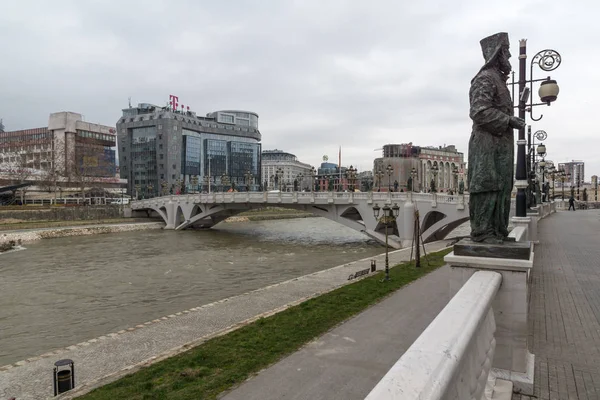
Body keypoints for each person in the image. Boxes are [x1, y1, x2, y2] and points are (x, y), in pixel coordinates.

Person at [468, 32, 526, 244]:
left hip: (500, 146)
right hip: (486, 145)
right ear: (497, 53)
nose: (509, 55)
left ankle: (497, 231)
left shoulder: (498, 80)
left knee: (502, 185)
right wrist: (510, 120)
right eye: (506, 50)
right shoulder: (485, 78)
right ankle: (483, 233)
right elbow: (479, 112)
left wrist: (508, 121)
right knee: (487, 185)